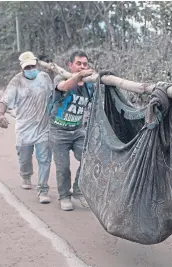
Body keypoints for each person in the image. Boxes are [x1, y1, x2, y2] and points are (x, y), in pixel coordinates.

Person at [0, 51, 52, 204]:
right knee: (25, 158)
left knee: (45, 159)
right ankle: (26, 175)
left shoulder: (45, 78)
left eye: (32, 66)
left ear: (37, 64)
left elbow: (55, 96)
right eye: (27, 67)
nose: (30, 69)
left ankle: (43, 189)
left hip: (43, 127)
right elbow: (5, 99)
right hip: (24, 127)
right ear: (22, 68)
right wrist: (0, 115)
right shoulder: (17, 81)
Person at [49, 50, 95, 211]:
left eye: (85, 64)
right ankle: (64, 196)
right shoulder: (61, 78)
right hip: (58, 131)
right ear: (70, 65)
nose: (82, 67)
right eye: (78, 64)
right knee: (63, 168)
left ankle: (79, 190)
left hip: (77, 131)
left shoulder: (90, 86)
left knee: (89, 159)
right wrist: (79, 76)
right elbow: (64, 86)